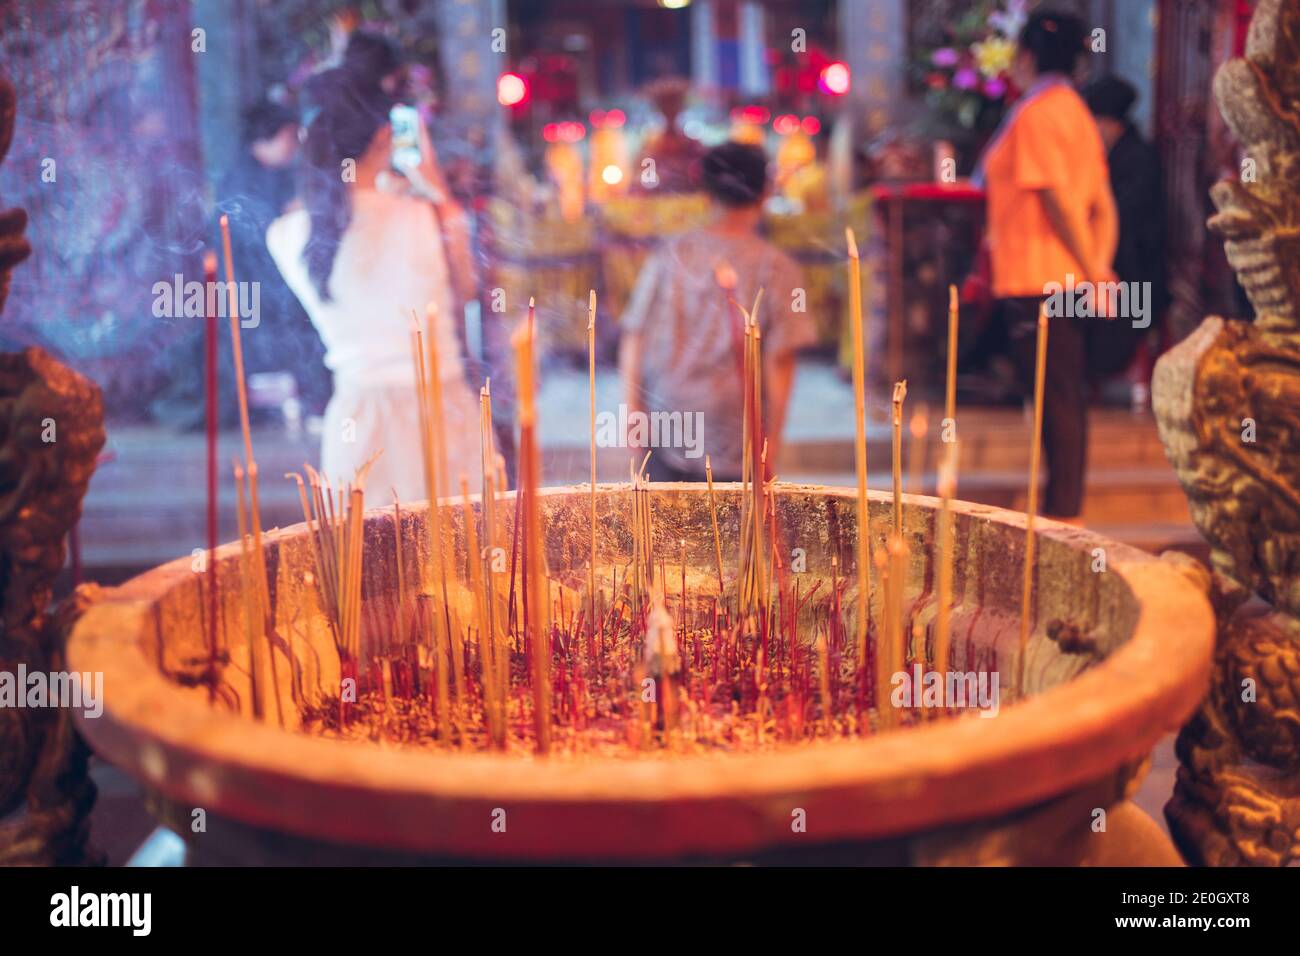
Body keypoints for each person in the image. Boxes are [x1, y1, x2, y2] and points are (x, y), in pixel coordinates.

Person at [267, 32, 480, 504]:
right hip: (443, 419)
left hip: (357, 429)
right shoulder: (431, 217)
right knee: (465, 570)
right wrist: (434, 185)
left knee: (366, 575)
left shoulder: (287, 236)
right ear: (387, 135)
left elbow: (328, 207)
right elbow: (467, 292)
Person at [980, 9, 1117, 521]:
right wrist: (1095, 266)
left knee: (1055, 400)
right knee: (1060, 396)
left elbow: (1058, 201)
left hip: (1039, 276)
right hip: (1061, 276)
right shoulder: (1074, 110)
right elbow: (1103, 205)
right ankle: (1062, 510)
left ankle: (1063, 516)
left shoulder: (1038, 113)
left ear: (1028, 56)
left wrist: (1093, 269)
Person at [619, 142, 815, 482]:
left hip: (668, 421)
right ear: (765, 192)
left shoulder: (671, 254)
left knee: (662, 532)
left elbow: (635, 335)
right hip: (736, 432)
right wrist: (773, 441)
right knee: (731, 535)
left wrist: (633, 411)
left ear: (705, 191)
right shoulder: (777, 267)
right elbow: (780, 360)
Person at [1082, 74, 1169, 386]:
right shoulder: (1107, 157)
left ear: (1107, 124)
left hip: (1137, 279)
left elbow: (1124, 224)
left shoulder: (1138, 160)